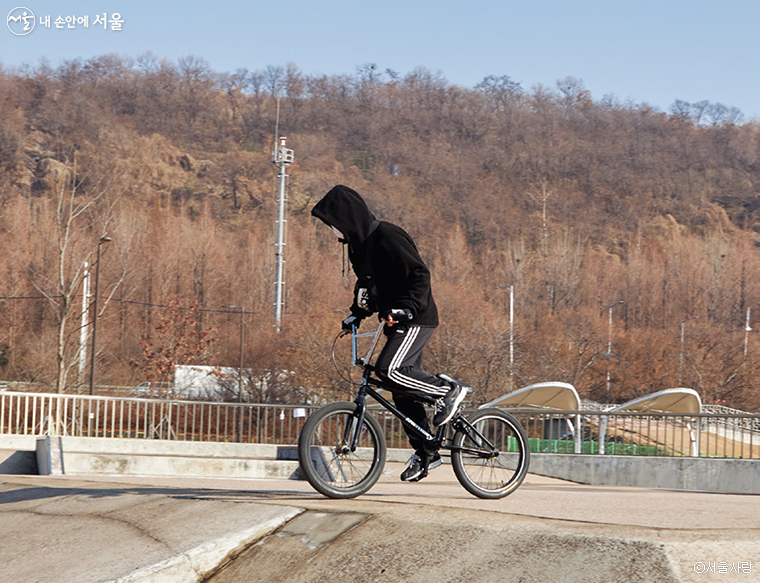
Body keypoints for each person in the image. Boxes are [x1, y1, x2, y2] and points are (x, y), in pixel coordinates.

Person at [311, 184, 470, 482]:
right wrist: (356, 315)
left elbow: (419, 275)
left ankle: (448, 392)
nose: (332, 231)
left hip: (416, 318)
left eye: (333, 225)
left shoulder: (388, 235)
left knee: (389, 369)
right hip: (394, 321)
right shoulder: (358, 249)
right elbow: (368, 289)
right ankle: (427, 452)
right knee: (401, 389)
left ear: (348, 218)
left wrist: (406, 308)